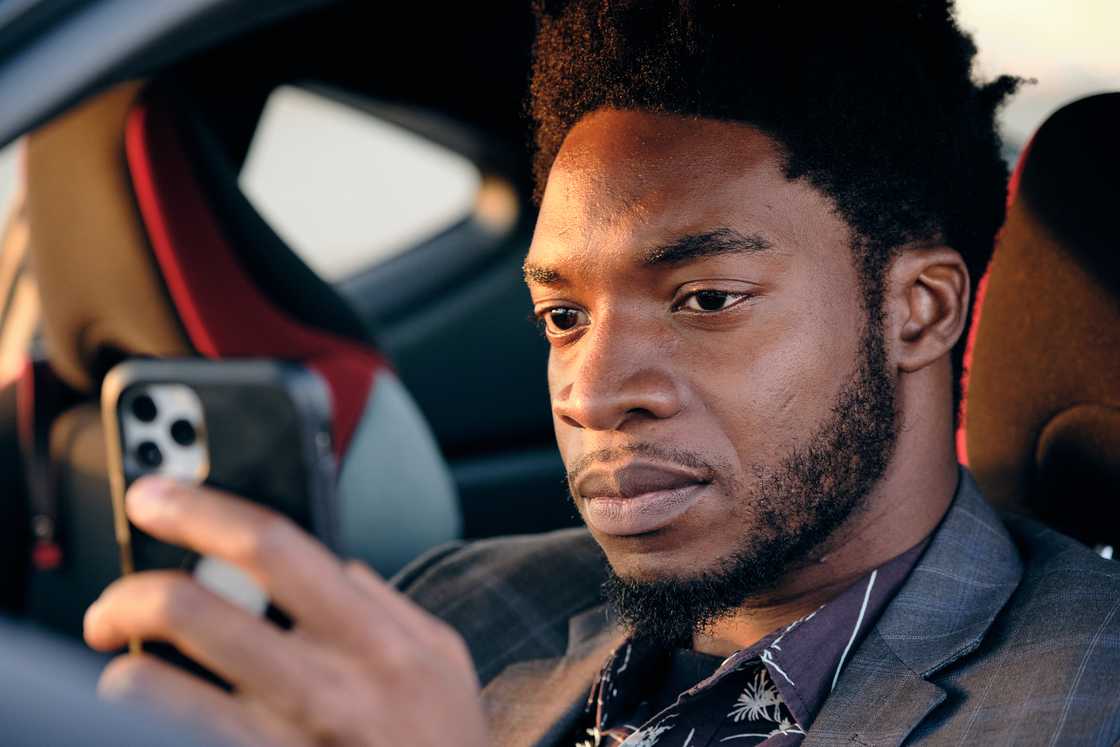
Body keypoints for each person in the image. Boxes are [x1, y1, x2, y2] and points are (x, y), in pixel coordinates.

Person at [82, 1, 1120, 745]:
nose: (588, 392)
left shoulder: (1088, 696)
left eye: (704, 300)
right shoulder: (455, 607)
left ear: (919, 310)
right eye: (564, 315)